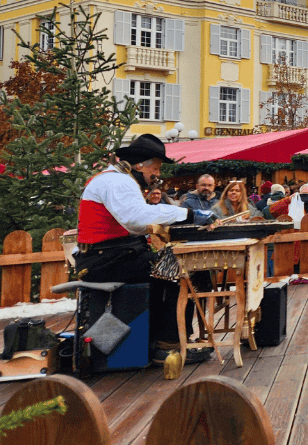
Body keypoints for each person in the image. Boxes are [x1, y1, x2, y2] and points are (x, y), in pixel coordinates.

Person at [74, 134, 214, 361]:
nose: (157, 175)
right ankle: (168, 346)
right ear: (140, 165)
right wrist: (188, 214)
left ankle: (164, 341)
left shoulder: (118, 179)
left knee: (174, 268)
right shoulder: (118, 181)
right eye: (156, 169)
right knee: (177, 274)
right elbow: (135, 219)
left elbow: (133, 224)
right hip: (107, 260)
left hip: (112, 256)